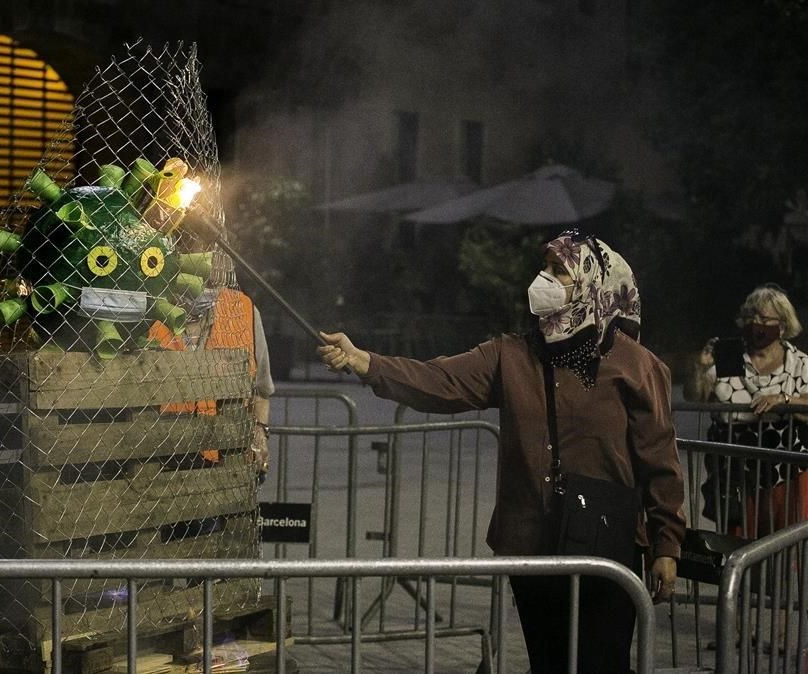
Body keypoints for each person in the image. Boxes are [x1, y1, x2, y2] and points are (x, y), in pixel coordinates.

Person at [318, 231, 684, 674]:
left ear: (592, 283)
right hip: (531, 542)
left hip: (606, 547)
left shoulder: (636, 366)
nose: (542, 279)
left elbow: (659, 460)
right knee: (548, 662)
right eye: (543, 267)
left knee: (601, 662)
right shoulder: (512, 355)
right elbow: (439, 380)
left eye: (558, 271)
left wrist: (667, 543)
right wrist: (365, 362)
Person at [683, 283, 807, 535]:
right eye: (751, 317)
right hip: (735, 479)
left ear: (782, 325)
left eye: (763, 318)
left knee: (780, 548)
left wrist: (784, 400)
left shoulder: (799, 363)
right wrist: (700, 367)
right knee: (738, 549)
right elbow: (696, 397)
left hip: (786, 476)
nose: (755, 323)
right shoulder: (730, 355)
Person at [149, 248, 275, 479]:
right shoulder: (149, 309)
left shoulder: (243, 310)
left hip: (225, 467)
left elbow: (261, 392)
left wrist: (259, 432)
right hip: (159, 464)